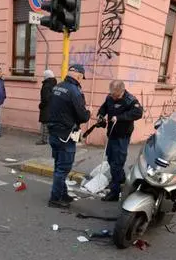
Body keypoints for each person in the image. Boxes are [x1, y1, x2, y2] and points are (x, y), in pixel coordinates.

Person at [46, 63, 90, 209]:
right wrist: (88, 112)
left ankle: (62, 194)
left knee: (59, 166)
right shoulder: (74, 91)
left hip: (54, 132)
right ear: (78, 75)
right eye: (82, 77)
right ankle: (55, 199)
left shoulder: (57, 87)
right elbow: (83, 116)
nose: (81, 80)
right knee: (63, 168)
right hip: (65, 135)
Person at [97, 80, 143, 201]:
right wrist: (100, 116)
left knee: (117, 162)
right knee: (111, 159)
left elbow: (138, 113)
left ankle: (115, 192)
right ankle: (121, 179)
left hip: (122, 136)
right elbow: (104, 108)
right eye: (111, 94)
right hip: (111, 134)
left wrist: (120, 118)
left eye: (115, 95)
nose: (113, 96)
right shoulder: (110, 97)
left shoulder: (130, 100)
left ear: (122, 91)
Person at [37, 69, 57, 145]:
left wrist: (41, 105)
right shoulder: (54, 84)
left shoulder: (46, 85)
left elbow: (45, 98)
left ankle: (43, 140)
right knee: (49, 124)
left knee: (44, 123)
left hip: (46, 108)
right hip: (52, 107)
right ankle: (49, 139)